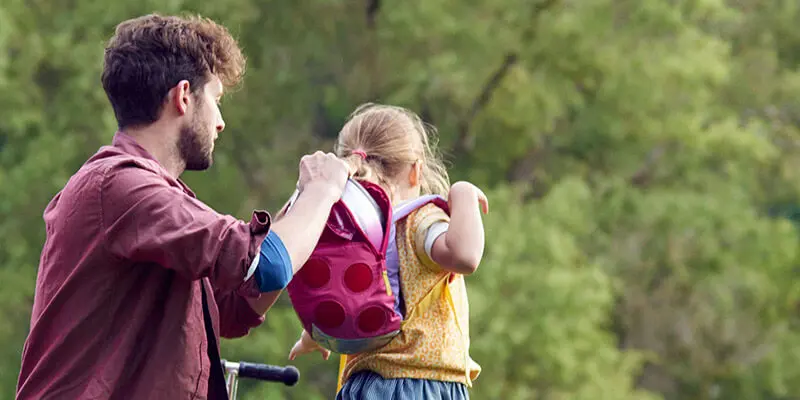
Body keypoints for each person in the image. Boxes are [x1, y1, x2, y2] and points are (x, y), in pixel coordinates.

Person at [15, 13, 351, 399]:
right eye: (217, 100)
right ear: (184, 95)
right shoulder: (123, 186)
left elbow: (234, 307)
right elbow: (267, 266)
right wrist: (322, 191)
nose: (221, 122)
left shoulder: (145, 196)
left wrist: (302, 207)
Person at [288, 103, 488, 400]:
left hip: (362, 387)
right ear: (416, 171)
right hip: (418, 385)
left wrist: (314, 337)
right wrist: (463, 194)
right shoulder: (418, 221)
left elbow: (345, 293)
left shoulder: (352, 231)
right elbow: (464, 256)